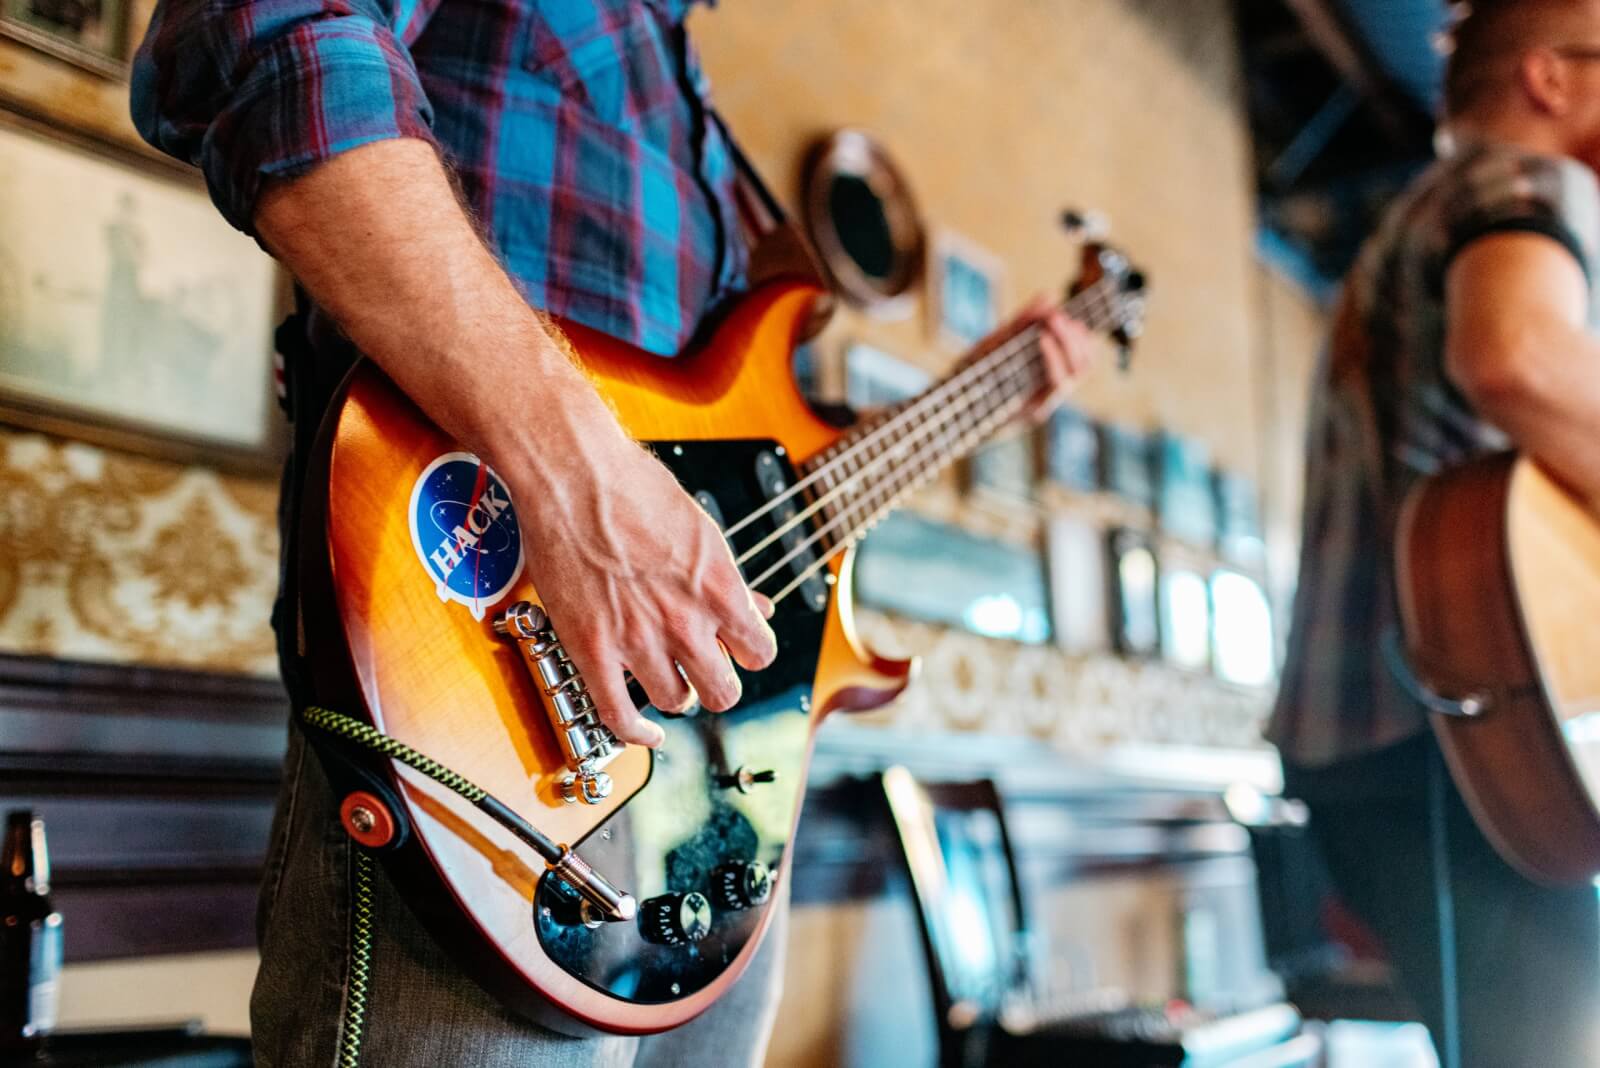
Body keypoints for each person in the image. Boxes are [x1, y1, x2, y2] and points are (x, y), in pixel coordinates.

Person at [129, 1, 1092, 1063]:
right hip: (481, 700)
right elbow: (261, 31)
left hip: (722, 783)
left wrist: (979, 395)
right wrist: (578, 478)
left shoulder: (691, 107)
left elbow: (747, 464)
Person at [1268, 2, 1600, 1065]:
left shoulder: (1408, 223)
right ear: (1549, 78)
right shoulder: (1525, 183)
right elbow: (1516, 356)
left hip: (1374, 738)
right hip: (1461, 732)